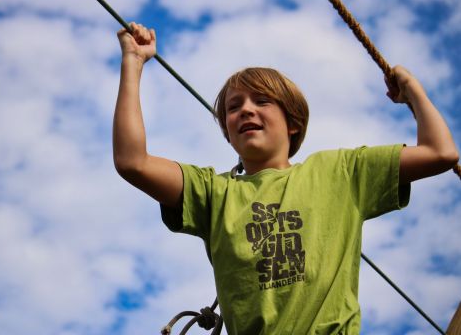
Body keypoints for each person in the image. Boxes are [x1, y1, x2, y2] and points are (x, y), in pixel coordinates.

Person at [113, 22, 459, 334]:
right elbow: (133, 162)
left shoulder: (341, 171)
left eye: (262, 101)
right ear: (228, 133)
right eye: (233, 108)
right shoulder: (213, 192)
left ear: (292, 122)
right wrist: (133, 62)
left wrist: (413, 90)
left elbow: (439, 152)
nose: (245, 109)